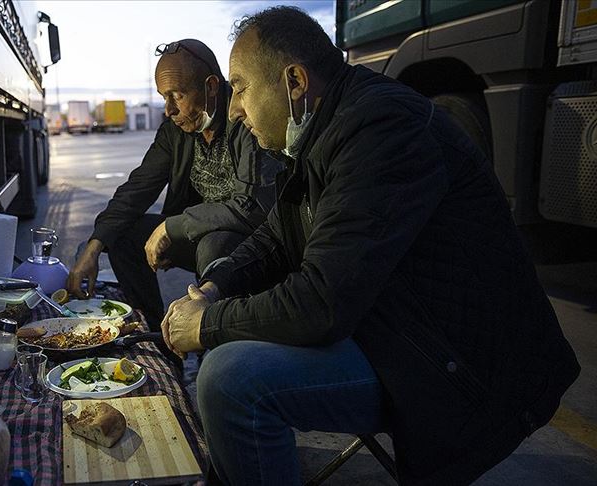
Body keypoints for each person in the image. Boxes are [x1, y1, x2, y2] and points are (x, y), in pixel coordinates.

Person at [160, 7, 580, 486]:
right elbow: (277, 236)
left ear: (295, 81)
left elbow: (322, 303)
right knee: (230, 330)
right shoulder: (323, 127)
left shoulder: (380, 129)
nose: (235, 109)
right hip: (392, 323)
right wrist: (216, 287)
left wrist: (209, 325)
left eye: (242, 86)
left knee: (230, 379)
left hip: (455, 362)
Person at [67, 39, 281, 330]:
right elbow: (138, 187)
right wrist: (94, 246)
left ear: (211, 87)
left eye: (177, 96)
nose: (168, 109)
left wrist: (171, 226)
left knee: (213, 246)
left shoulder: (244, 119)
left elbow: (252, 207)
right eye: (163, 97)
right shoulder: (176, 128)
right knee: (122, 234)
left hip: (249, 244)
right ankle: (155, 336)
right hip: (195, 231)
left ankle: (211, 340)